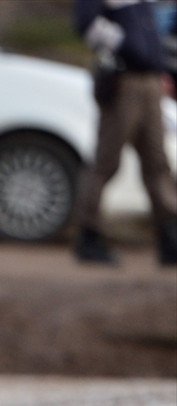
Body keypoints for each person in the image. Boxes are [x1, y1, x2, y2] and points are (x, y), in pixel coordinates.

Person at [73, 0, 177, 266]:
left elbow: (149, 29)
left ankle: (169, 236)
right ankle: (88, 234)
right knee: (106, 161)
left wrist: (160, 68)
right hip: (124, 81)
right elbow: (85, 22)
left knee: (157, 162)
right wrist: (125, 45)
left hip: (151, 80)